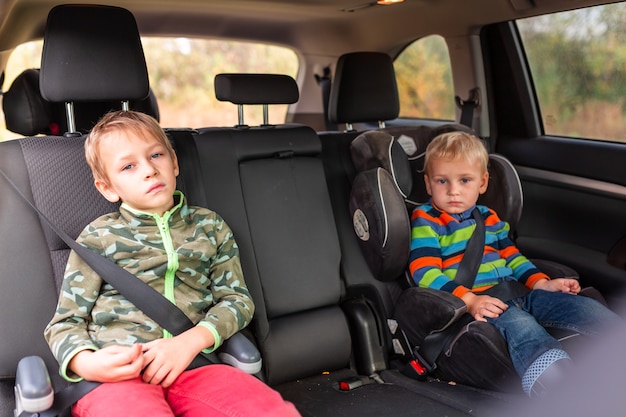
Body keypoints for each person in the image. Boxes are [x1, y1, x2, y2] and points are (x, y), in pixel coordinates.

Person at [44, 110, 300, 417]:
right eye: (128, 166)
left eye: (156, 155)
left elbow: (237, 300)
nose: (150, 170)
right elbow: (65, 323)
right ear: (107, 187)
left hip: (194, 365)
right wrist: (86, 361)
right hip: (119, 378)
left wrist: (194, 339)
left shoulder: (209, 226)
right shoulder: (98, 237)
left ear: (174, 162)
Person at [409, 131, 622, 398]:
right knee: (524, 329)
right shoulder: (427, 220)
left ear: (482, 182)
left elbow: (513, 257)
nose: (453, 190)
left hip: (521, 292)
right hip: (485, 304)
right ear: (428, 184)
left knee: (585, 307)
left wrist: (542, 282)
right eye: (442, 181)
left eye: (465, 180)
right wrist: (470, 300)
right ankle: (561, 392)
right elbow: (424, 272)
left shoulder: (489, 218)